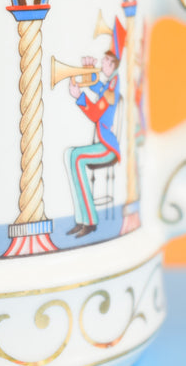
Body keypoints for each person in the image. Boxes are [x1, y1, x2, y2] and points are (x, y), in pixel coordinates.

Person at [64, 18, 125, 238]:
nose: (103, 63)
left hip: (107, 147)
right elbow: (96, 86)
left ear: (113, 65)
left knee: (76, 157)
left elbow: (95, 114)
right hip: (101, 143)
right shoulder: (109, 86)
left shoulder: (113, 88)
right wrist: (89, 71)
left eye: (106, 61)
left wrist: (79, 96)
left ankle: (90, 220)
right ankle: (81, 219)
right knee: (69, 154)